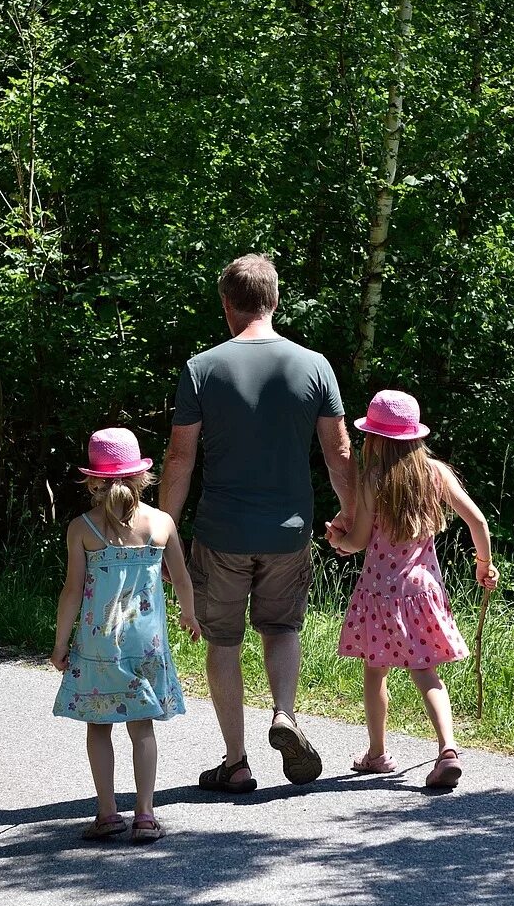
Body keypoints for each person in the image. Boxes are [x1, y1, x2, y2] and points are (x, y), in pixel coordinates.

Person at [161, 254, 357, 791]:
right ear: (274, 300)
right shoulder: (314, 365)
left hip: (221, 531)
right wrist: (353, 516)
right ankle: (284, 716)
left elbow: (180, 459)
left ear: (227, 304)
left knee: (222, 642)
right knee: (282, 628)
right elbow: (338, 453)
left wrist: (162, 532)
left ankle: (236, 763)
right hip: (288, 532)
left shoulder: (203, 368)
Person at [327, 389, 497, 790]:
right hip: (423, 590)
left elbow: (359, 541)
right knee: (425, 670)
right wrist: (483, 566)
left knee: (375, 669)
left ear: (373, 439)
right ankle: (448, 749)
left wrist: (338, 541)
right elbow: (479, 523)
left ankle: (376, 753)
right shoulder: (435, 473)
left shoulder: (374, 480)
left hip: (381, 593)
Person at [52, 427, 202, 842]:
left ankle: (106, 814)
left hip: (99, 643)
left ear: (92, 481)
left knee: (99, 726)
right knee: (142, 727)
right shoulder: (161, 523)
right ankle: (146, 815)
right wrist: (189, 617)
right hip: (146, 641)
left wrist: (61, 642)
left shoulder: (81, 528)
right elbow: (182, 580)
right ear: (141, 477)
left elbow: (72, 590)